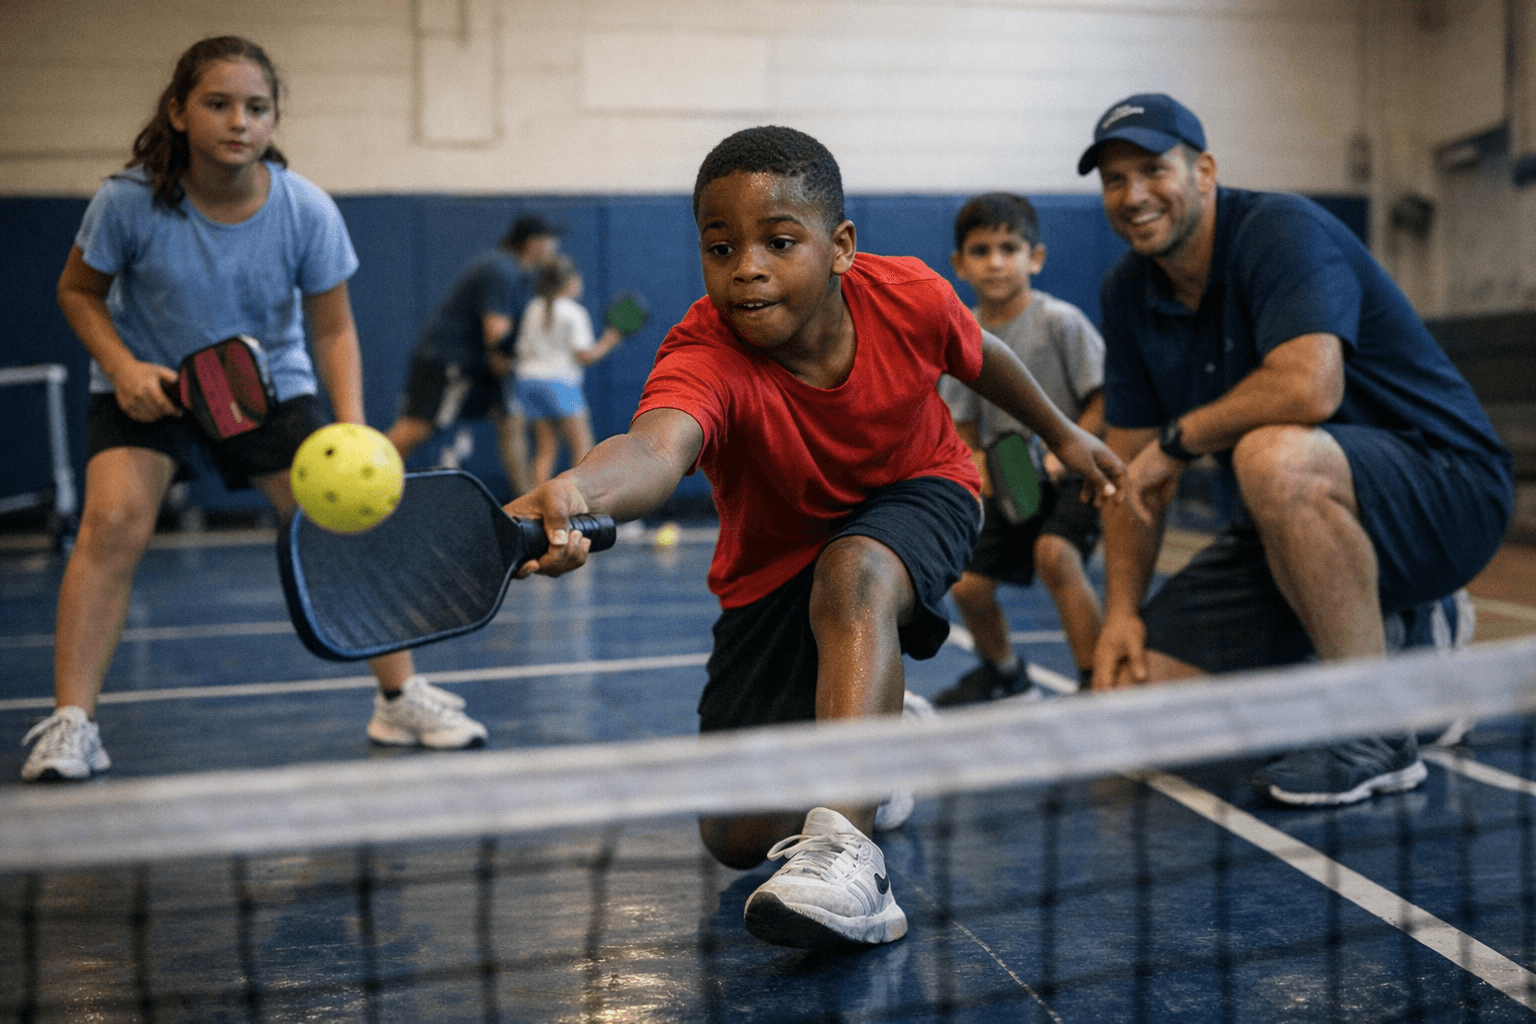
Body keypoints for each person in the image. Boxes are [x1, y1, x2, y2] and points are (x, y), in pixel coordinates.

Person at [504, 126, 1125, 950]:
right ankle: (880, 734)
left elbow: (983, 358)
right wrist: (581, 488)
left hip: (923, 489)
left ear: (840, 248)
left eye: (779, 241)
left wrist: (1063, 434)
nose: (747, 267)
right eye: (720, 247)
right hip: (771, 565)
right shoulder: (705, 352)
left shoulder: (909, 295)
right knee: (733, 836)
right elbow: (656, 449)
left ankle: (850, 856)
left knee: (856, 574)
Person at [21, 37, 487, 783]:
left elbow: (332, 326)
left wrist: (350, 423)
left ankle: (398, 698)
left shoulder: (304, 208)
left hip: (261, 388)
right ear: (178, 111)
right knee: (109, 526)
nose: (239, 120)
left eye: (256, 107)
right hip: (150, 385)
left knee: (343, 534)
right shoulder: (127, 201)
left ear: (274, 120)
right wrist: (122, 366)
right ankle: (73, 723)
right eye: (218, 103)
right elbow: (77, 292)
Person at [1078, 94, 1514, 806]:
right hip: (1294, 517)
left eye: (1153, 169)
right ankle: (1402, 632)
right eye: (1113, 180)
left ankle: (1374, 730)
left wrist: (1178, 440)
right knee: (1135, 704)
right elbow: (1132, 475)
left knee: (1270, 454)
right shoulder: (1128, 290)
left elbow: (1309, 387)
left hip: (1447, 490)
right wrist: (1121, 610)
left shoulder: (1279, 230)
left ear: (1204, 171)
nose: (1134, 195)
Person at [935, 193, 1107, 705]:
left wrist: (1063, 449)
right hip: (1010, 474)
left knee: (1055, 556)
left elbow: (1102, 398)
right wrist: (979, 466)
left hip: (1072, 472)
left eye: (1008, 248)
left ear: (1035, 258)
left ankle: (1097, 682)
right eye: (981, 250)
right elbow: (962, 421)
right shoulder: (962, 331)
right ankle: (1005, 673)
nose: (994, 261)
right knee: (967, 583)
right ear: (959, 265)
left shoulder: (1062, 322)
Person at [384, 213, 563, 498]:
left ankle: (527, 500)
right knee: (415, 429)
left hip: (478, 369)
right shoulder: (500, 270)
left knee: (511, 419)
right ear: (533, 243)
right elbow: (496, 339)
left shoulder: (518, 274)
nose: (555, 247)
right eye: (551, 240)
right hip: (450, 364)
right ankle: (365, 483)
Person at [513, 254, 624, 486]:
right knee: (583, 447)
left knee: (546, 449)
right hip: (560, 384)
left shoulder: (533, 307)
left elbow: (521, 349)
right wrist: (609, 341)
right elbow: (584, 356)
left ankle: (534, 511)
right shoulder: (574, 312)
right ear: (570, 282)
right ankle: (579, 505)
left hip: (528, 384)